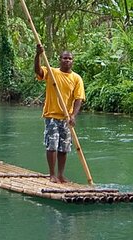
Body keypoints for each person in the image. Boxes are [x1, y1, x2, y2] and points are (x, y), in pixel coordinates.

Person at [34, 44, 85, 183]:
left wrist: (73, 115)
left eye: (69, 58)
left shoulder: (76, 78)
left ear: (72, 61)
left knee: (64, 147)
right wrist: (38, 55)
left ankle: (61, 174)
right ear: (60, 60)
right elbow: (38, 71)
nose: (67, 60)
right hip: (52, 116)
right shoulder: (52, 73)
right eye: (64, 58)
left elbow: (78, 98)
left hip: (66, 118)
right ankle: (52, 174)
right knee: (52, 145)